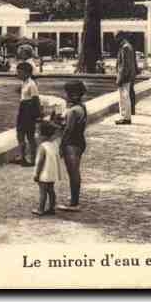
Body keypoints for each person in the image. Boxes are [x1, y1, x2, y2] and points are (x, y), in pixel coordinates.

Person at [58, 80, 88, 212]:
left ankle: (74, 203)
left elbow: (68, 130)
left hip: (71, 143)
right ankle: (74, 197)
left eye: (68, 93)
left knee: (73, 172)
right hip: (80, 141)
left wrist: (61, 145)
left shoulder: (72, 111)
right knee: (75, 171)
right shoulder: (82, 107)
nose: (66, 96)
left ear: (73, 95)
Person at [32, 121, 62, 216]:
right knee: (51, 191)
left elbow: (40, 162)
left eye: (38, 133)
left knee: (43, 192)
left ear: (42, 134)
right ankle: (52, 208)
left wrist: (36, 174)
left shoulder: (42, 147)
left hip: (44, 173)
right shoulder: (54, 145)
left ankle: (40, 209)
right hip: (52, 172)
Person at [15, 61, 40, 165]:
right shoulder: (24, 83)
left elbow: (35, 100)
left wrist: (36, 115)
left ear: (27, 73)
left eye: (20, 72)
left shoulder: (32, 84)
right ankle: (22, 156)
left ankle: (33, 159)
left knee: (30, 135)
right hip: (23, 108)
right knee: (20, 133)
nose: (18, 75)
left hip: (29, 110)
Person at [115, 32, 135, 125]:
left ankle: (125, 117)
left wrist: (121, 78)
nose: (116, 40)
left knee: (124, 98)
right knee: (125, 97)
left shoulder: (125, 47)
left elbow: (124, 65)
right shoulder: (127, 46)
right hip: (127, 76)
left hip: (124, 76)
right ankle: (125, 117)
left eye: (117, 38)